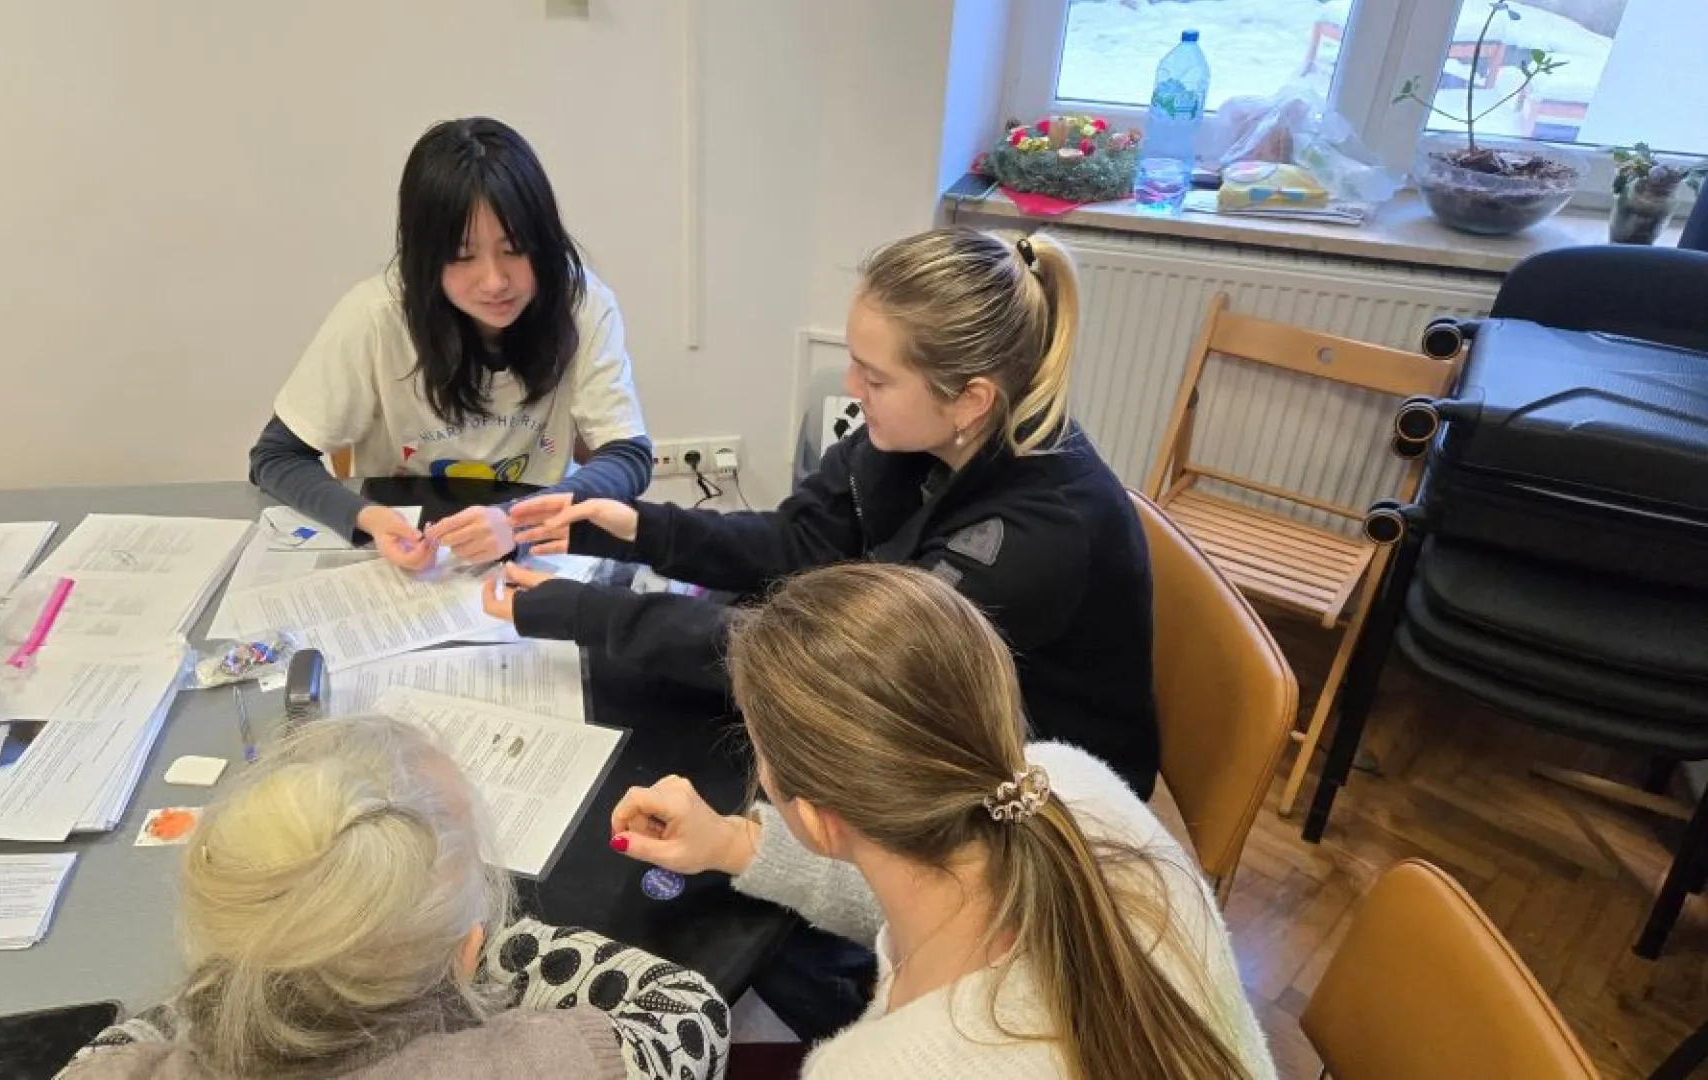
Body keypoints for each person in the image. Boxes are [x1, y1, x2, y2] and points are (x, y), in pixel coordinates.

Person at [490, 226, 1157, 797]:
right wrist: (639, 528)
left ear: (971, 398)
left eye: (875, 376)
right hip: (924, 709)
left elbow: (826, 669)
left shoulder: (1033, 541)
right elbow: (798, 541)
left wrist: (587, 613)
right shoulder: (925, 434)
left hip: (1042, 793)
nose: (850, 387)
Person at [611, 564, 1275, 1079]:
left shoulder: (874, 1067)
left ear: (816, 818)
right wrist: (734, 841)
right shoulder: (1061, 783)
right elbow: (918, 875)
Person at [56, 718, 728, 1080]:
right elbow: (687, 1008)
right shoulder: (559, 1063)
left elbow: (161, 1023)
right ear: (467, 951)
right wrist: (484, 941)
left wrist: (263, 954)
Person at [249, 116, 652, 572]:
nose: (495, 281)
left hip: (531, 539)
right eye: (463, 256)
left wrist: (515, 523)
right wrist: (367, 519)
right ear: (425, 256)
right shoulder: (377, 315)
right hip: (409, 551)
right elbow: (275, 457)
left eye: (515, 248)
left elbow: (629, 456)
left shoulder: (581, 303)